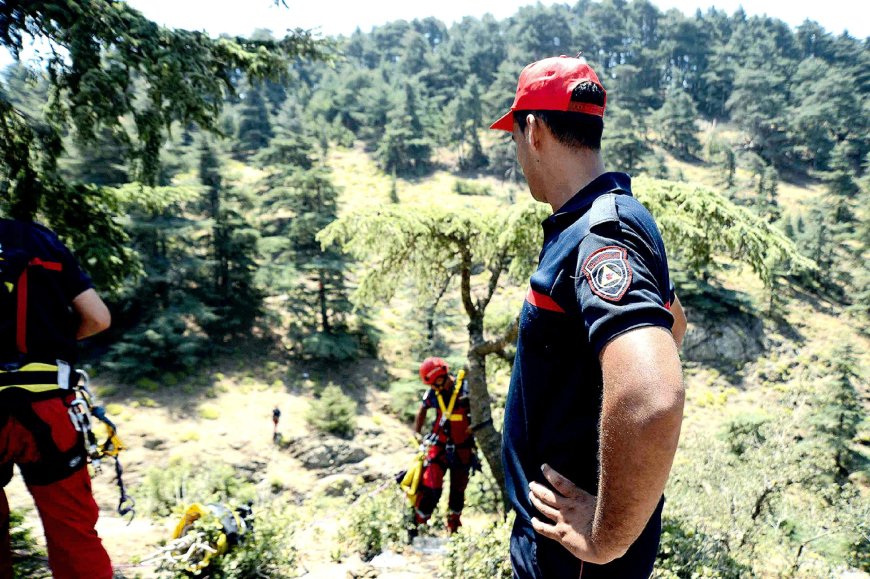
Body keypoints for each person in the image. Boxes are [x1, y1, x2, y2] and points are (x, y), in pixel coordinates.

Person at [490, 55, 687, 577]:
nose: (517, 152)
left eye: (513, 136)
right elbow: (675, 324)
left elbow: (652, 394)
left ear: (532, 130)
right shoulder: (617, 213)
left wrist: (604, 536)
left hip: (572, 561)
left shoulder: (602, 234)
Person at [0, 217, 113, 579]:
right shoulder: (38, 239)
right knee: (73, 532)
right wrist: (54, 343)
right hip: (49, 408)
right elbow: (97, 318)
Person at [411, 357, 475, 535]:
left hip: (463, 447)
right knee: (431, 486)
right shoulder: (434, 393)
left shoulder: (465, 388)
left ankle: (453, 528)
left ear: (442, 376)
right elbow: (423, 408)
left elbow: (478, 408)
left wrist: (474, 426)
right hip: (439, 447)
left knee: (458, 490)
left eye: (436, 383)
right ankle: (418, 525)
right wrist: (417, 432)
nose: (435, 388)